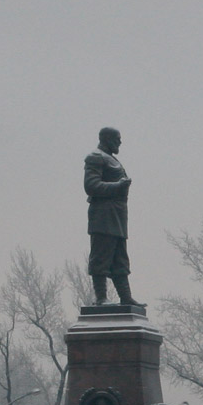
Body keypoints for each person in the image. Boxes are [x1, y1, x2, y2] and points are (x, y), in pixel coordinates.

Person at [85, 127, 134, 305]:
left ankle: (126, 297)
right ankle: (101, 298)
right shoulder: (96, 157)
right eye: (117, 138)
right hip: (103, 216)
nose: (120, 142)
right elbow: (91, 186)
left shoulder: (113, 160)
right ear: (107, 139)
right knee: (101, 256)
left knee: (120, 258)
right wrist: (118, 186)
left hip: (118, 216)